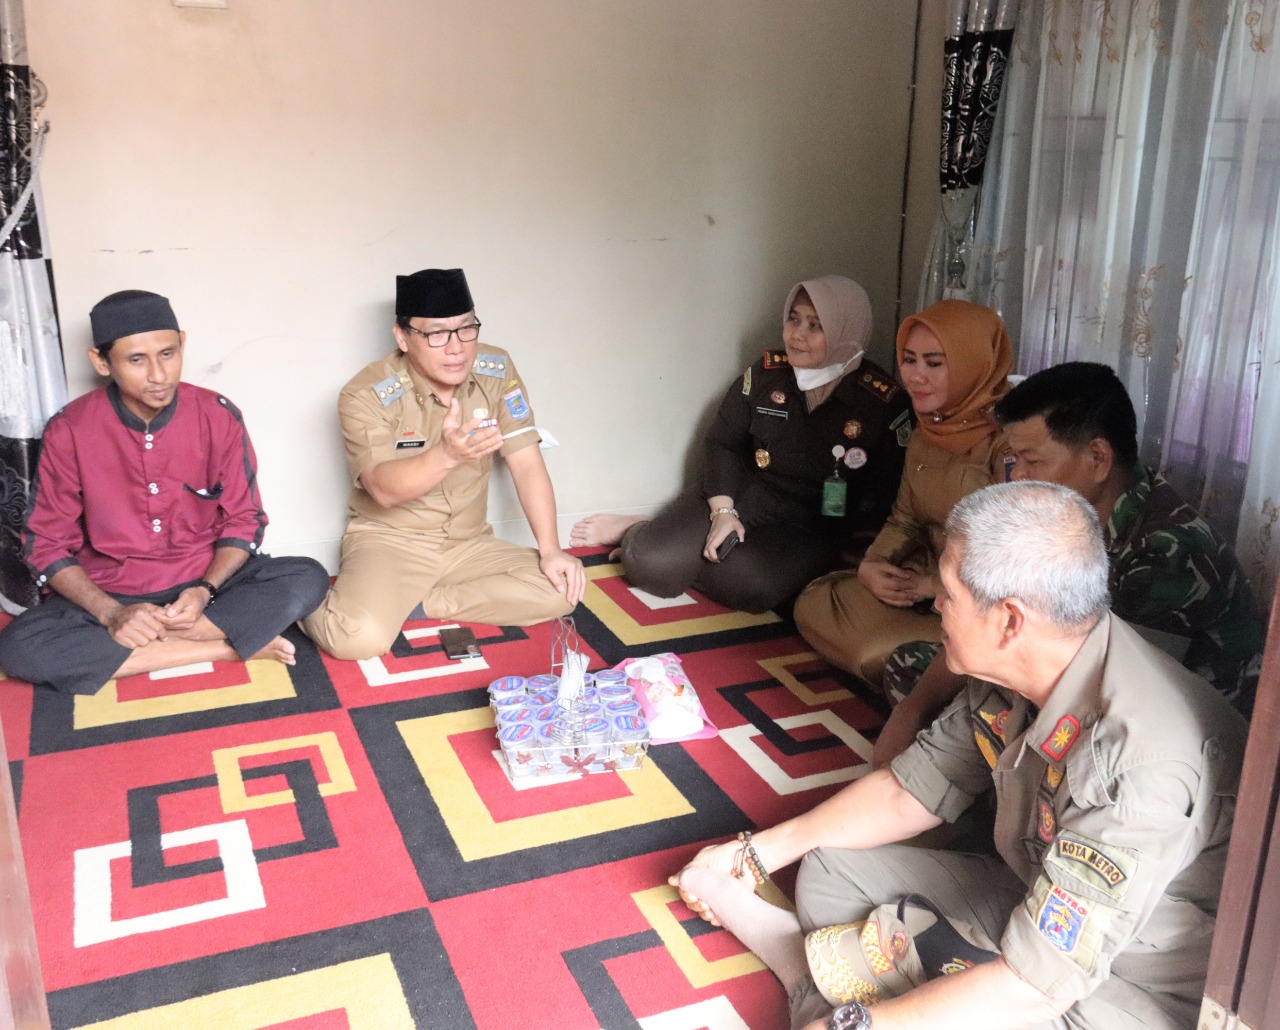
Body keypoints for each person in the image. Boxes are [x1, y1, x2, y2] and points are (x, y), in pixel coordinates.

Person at [670, 481, 1247, 1030]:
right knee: (830, 869)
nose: (937, 605)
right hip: (1036, 901)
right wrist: (755, 854)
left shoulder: (1135, 765)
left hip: (1133, 983)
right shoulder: (1030, 660)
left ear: (1010, 619)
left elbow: (1037, 983)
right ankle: (863, 970)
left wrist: (857, 1023)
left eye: (949, 592)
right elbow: (911, 790)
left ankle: (810, 967)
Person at [875, 361, 1262, 767]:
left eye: (1032, 461)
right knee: (914, 669)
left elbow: (1110, 692)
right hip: (1073, 674)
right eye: (1015, 459)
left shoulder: (1169, 552)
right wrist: (913, 710)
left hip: (1167, 740)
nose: (1018, 476)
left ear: (1098, 458)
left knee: (993, 714)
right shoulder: (1065, 517)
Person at [0, 290, 330, 694]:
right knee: (19, 648)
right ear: (101, 362)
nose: (159, 375)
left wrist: (204, 590)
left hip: (205, 587)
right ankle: (222, 647)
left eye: (168, 354)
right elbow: (47, 542)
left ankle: (154, 645)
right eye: (137, 360)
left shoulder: (217, 415)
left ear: (182, 344)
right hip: (113, 591)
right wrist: (112, 614)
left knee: (306, 577)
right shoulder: (71, 428)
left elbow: (244, 519)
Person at [569, 276, 911, 614]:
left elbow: (888, 493)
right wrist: (723, 513)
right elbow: (723, 443)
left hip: (812, 520)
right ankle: (640, 531)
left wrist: (862, 553)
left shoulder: (881, 402)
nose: (796, 334)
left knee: (752, 588)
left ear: (845, 331)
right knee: (652, 565)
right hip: (742, 492)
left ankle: (676, 544)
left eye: (815, 326)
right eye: (793, 319)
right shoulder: (766, 375)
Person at [301, 268, 583, 660]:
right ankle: (302, 599)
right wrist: (446, 455)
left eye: (466, 328)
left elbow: (525, 462)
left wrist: (550, 549)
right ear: (403, 337)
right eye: (436, 334)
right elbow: (381, 489)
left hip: (468, 543)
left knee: (562, 590)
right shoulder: (365, 393)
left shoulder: (496, 369)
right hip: (391, 541)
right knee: (357, 640)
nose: (456, 348)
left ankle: (420, 603)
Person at [793, 300, 1014, 684]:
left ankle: (932, 668)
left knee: (873, 651)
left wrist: (933, 586)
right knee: (813, 603)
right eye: (909, 360)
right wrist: (873, 566)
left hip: (976, 601)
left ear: (973, 365)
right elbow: (905, 518)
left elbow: (1010, 557)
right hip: (918, 582)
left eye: (934, 363)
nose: (915, 376)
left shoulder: (1010, 444)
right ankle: (919, 669)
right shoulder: (927, 430)